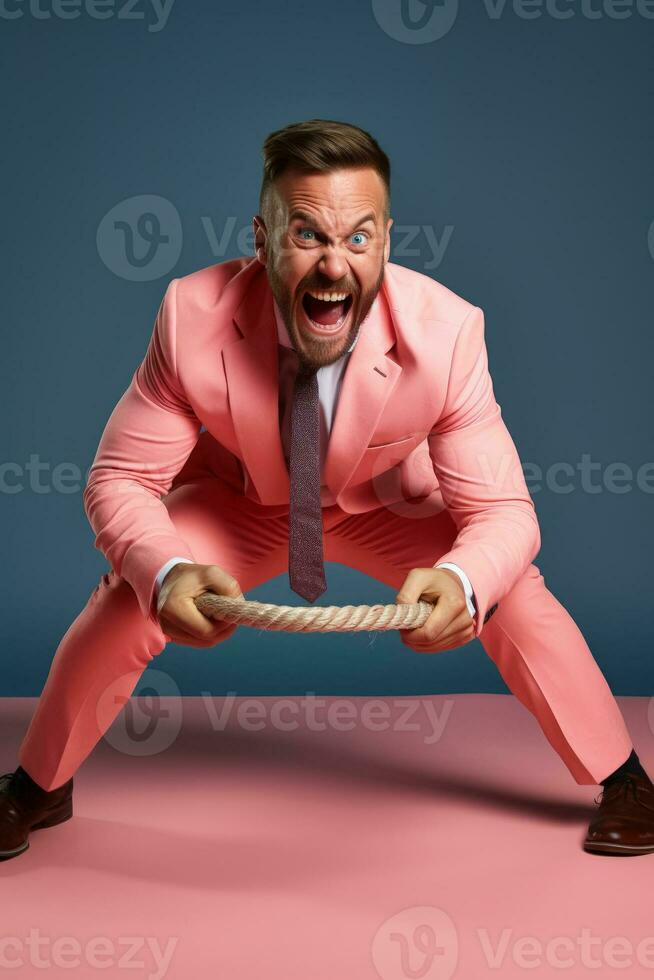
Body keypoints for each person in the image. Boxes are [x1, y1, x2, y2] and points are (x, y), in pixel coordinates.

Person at [2, 119, 652, 862]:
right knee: (130, 596)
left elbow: (504, 511)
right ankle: (37, 785)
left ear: (385, 242)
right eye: (307, 235)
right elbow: (120, 478)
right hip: (245, 503)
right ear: (262, 236)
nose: (334, 266)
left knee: (513, 592)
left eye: (357, 238)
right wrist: (168, 572)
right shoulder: (190, 316)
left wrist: (465, 583)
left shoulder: (448, 333)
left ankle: (625, 778)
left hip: (386, 506)